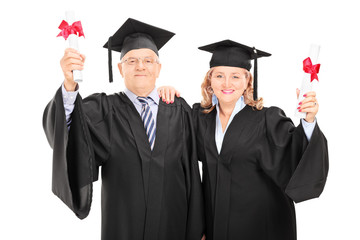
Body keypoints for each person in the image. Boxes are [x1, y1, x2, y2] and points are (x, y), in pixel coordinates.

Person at [43, 18, 204, 240]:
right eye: (131, 60)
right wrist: (69, 84)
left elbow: (195, 170)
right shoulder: (104, 109)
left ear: (158, 68)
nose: (140, 66)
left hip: (173, 226)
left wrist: (197, 229)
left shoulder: (179, 110)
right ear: (120, 68)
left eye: (148, 60)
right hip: (123, 228)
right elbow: (67, 133)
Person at [159, 39, 328, 240]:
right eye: (219, 75)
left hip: (263, 225)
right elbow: (174, 151)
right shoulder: (199, 117)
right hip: (216, 226)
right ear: (209, 80)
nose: (227, 83)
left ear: (248, 81)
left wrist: (308, 120)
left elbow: (295, 154)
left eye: (236, 76)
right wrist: (166, 93)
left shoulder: (268, 119)